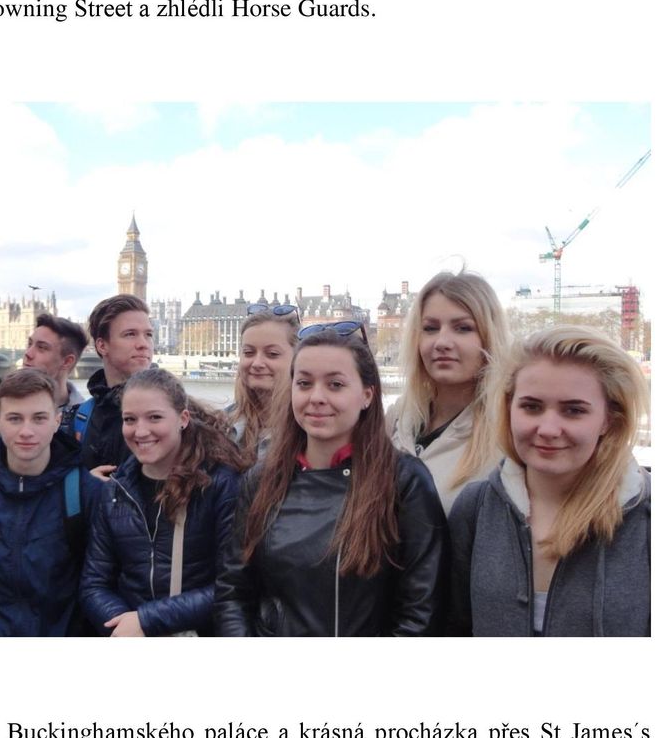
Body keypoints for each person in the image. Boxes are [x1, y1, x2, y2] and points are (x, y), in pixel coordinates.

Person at [216, 327, 448, 635]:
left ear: (367, 395)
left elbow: (421, 611)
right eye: (304, 384)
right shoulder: (261, 480)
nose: (316, 398)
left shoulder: (403, 481)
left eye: (335, 385)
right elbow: (234, 591)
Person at [449, 325, 651, 635]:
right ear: (509, 408)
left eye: (573, 411)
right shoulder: (475, 509)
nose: (548, 429)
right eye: (532, 407)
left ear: (608, 420)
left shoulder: (644, 518)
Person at [80, 366, 247, 637]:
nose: (140, 431)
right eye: (130, 419)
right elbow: (94, 583)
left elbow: (232, 584)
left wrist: (146, 621)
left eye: (154, 417)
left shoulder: (220, 484)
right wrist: (123, 624)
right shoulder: (114, 490)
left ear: (183, 419)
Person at [0, 369, 99, 636]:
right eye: (15, 419)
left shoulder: (86, 492)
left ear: (57, 420)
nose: (26, 431)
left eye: (39, 418)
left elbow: (96, 579)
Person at [388, 270, 509, 515]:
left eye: (463, 328)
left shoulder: (507, 434)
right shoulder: (396, 418)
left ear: (489, 337)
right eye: (430, 328)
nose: (442, 342)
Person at [0, 313, 88, 468]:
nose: (28, 353)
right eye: (30, 344)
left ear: (67, 361)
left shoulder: (85, 415)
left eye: (41, 348)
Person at [75, 294, 155, 475]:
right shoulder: (78, 420)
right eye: (130, 334)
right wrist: (87, 487)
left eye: (148, 335)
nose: (143, 344)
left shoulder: (178, 413)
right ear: (102, 346)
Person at [228, 306, 299, 457]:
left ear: (297, 359)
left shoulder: (309, 432)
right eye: (249, 353)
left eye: (272, 354)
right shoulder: (220, 426)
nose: (257, 363)